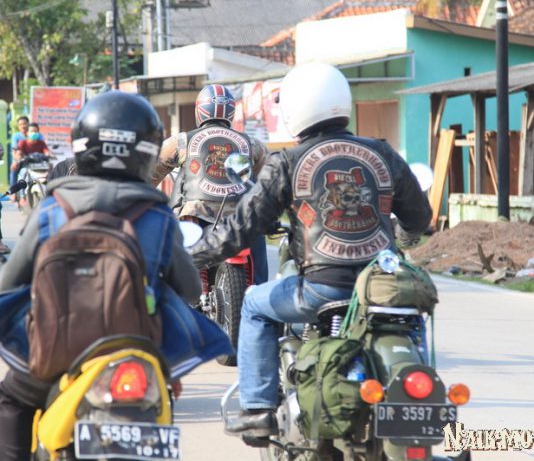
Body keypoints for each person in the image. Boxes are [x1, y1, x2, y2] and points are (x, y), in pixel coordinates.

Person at [188, 62, 432, 437]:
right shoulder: (382, 153)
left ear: (294, 110)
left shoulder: (288, 162)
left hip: (321, 289)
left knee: (253, 305)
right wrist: (398, 236)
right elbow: (419, 218)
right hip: (379, 287)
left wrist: (187, 258)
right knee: (409, 319)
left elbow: (238, 230)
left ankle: (258, 410)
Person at [0, 91, 202, 460]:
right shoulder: (158, 215)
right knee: (164, 395)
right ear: (147, 151)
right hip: (138, 350)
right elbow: (190, 288)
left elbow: (9, 283)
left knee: (12, 398)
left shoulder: (52, 209)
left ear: (82, 146)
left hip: (55, 352)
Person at [151, 83, 270, 284]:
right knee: (257, 227)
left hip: (195, 215)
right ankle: (257, 288)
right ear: (231, 112)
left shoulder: (183, 141)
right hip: (240, 217)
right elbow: (267, 179)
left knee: (169, 261)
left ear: (200, 111)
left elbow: (150, 172)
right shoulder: (251, 144)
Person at [9, 116, 45, 187]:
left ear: (28, 124)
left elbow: (44, 148)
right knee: (14, 169)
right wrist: (16, 161)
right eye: (20, 124)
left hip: (36, 160)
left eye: (24, 124)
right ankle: (13, 190)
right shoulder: (16, 136)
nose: (23, 126)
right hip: (21, 160)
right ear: (18, 126)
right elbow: (14, 152)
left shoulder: (38, 135)